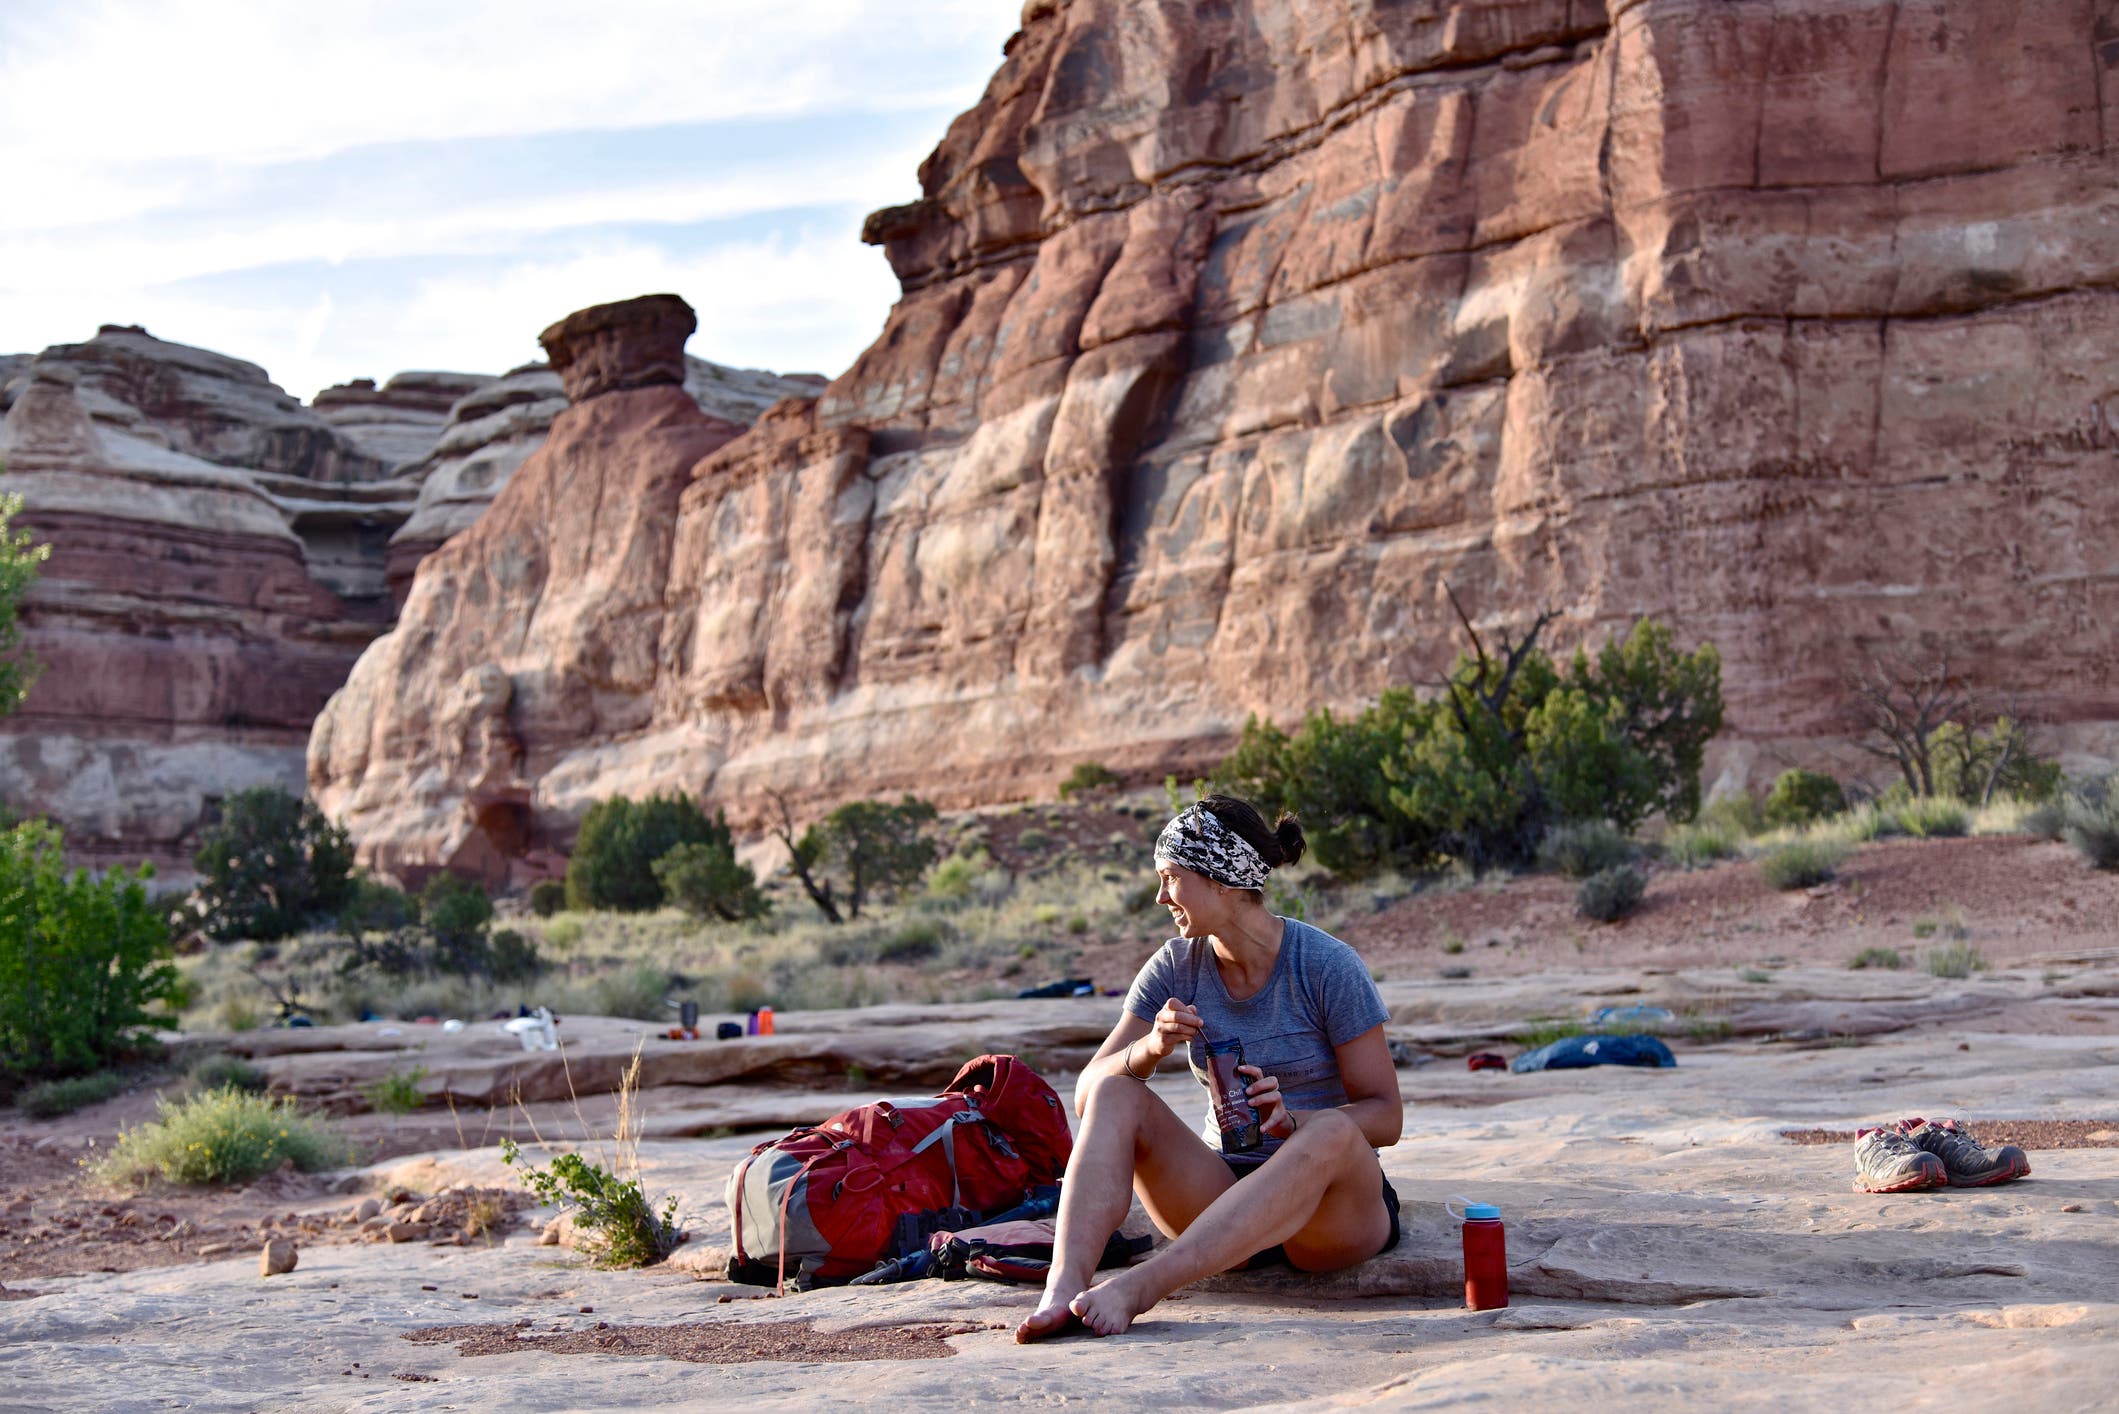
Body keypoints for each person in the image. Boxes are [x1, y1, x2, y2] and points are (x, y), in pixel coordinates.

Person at [1015, 795, 1402, 1342]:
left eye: (1171, 877)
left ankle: (1146, 1285)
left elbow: (1387, 1117)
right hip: (1219, 1197)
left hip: (1327, 1214)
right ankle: (1063, 1285)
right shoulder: (1176, 965)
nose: (1159, 896)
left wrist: (1296, 1121)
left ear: (1221, 879)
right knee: (1115, 1093)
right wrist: (1148, 1048)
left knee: (1337, 1130)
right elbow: (1086, 1093)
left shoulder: (1326, 966)